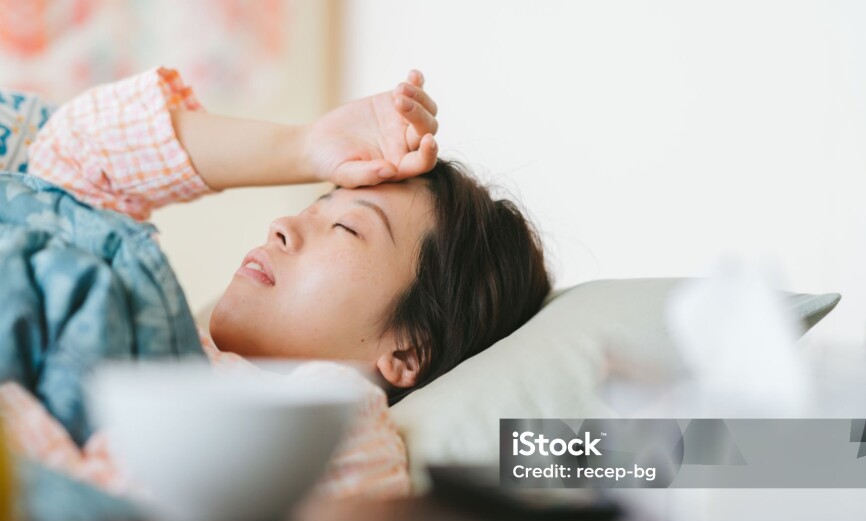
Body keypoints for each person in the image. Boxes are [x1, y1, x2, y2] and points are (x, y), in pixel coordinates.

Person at [29, 67, 552, 407]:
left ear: (408, 353)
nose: (282, 228)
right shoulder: (150, 321)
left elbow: (628, 456)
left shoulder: (334, 437)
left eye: (347, 228)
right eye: (316, 206)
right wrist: (303, 147)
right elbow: (71, 154)